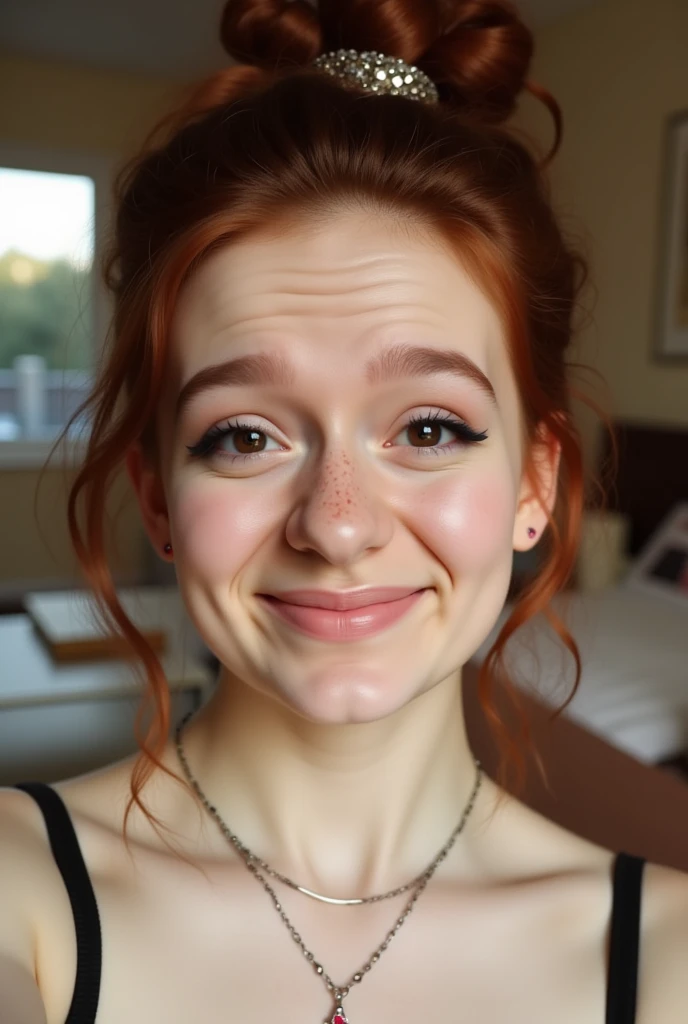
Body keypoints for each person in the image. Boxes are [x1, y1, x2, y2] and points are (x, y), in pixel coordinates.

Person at [1, 1, 687, 1022]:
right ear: (157, 499)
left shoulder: (664, 956)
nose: (337, 524)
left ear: (535, 485)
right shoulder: (23, 893)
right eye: (243, 435)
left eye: (426, 429)